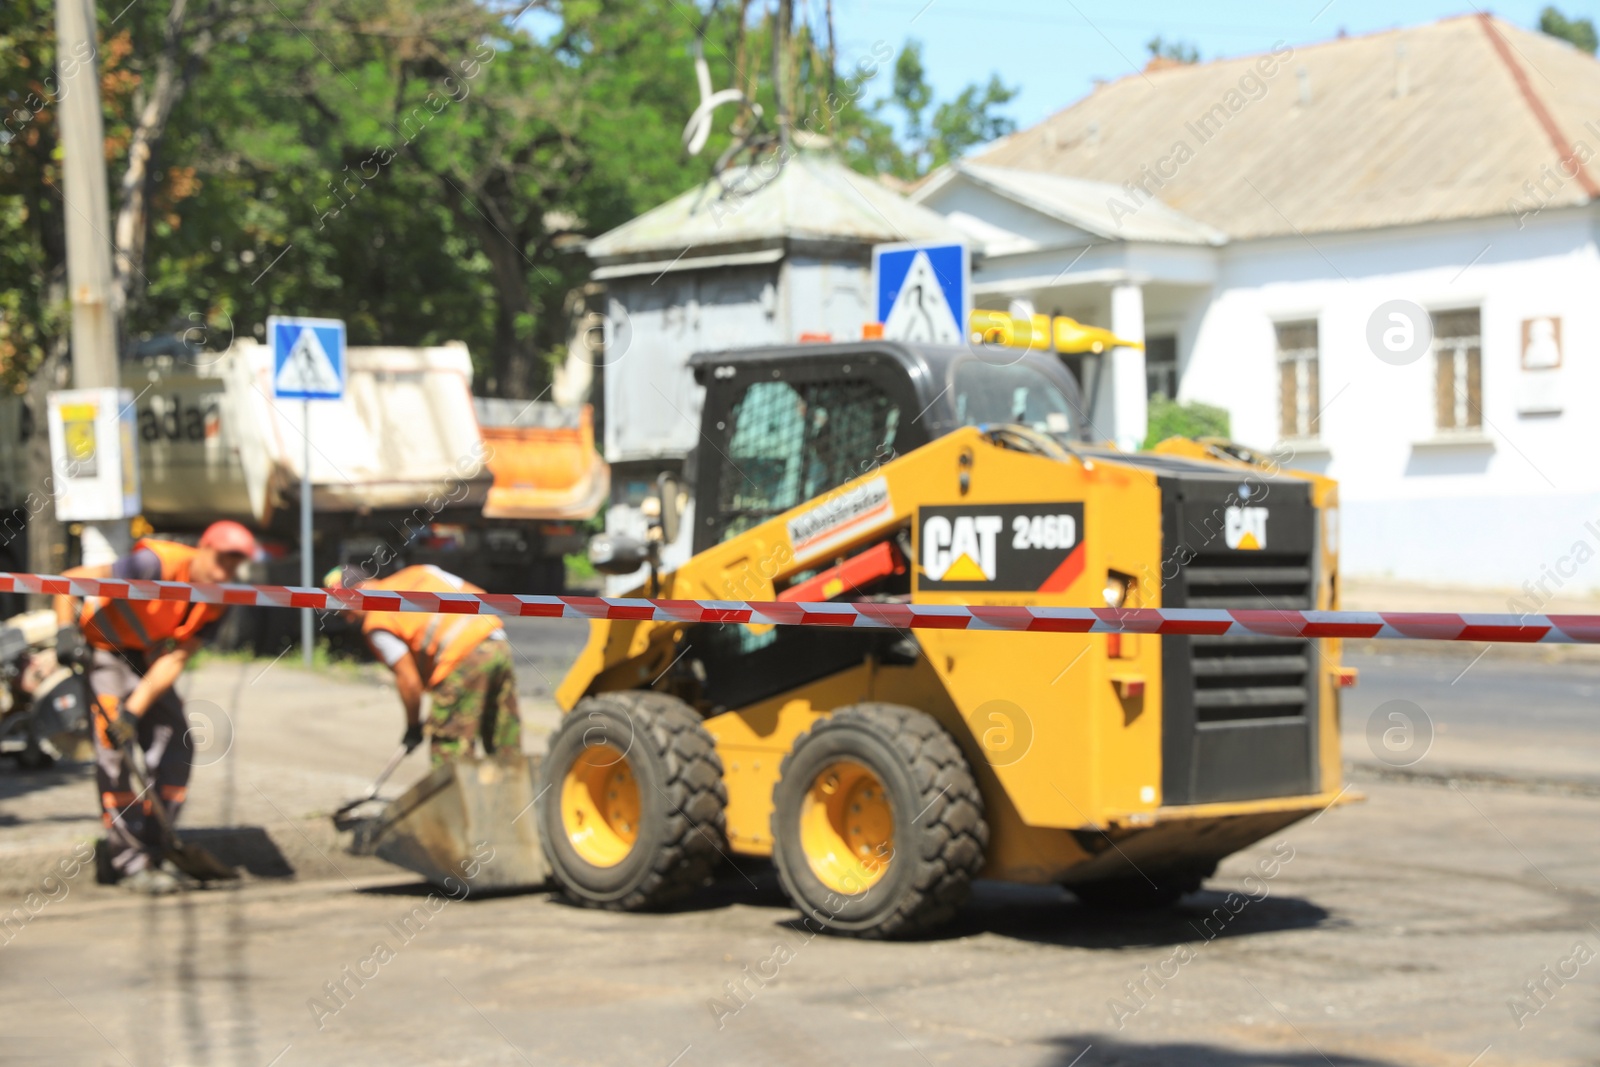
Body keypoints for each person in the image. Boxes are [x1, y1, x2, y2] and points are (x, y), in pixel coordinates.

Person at [53, 521, 257, 895]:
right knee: (114, 754)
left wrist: (134, 711)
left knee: (178, 740)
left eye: (236, 564)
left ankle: (157, 844)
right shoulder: (153, 564)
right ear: (205, 547)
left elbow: (176, 659)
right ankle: (128, 862)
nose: (227, 571)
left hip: (148, 660)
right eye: (224, 559)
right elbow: (70, 580)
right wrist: (66, 631)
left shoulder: (220, 600)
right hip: (104, 651)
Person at [327, 564, 521, 766]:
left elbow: (409, 682)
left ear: (358, 591)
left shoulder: (378, 622)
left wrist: (412, 727)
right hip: (495, 640)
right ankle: (514, 792)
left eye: (344, 609)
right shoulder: (419, 571)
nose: (347, 619)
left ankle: (452, 796)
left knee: (450, 749)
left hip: (462, 657)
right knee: (504, 736)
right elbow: (471, 591)